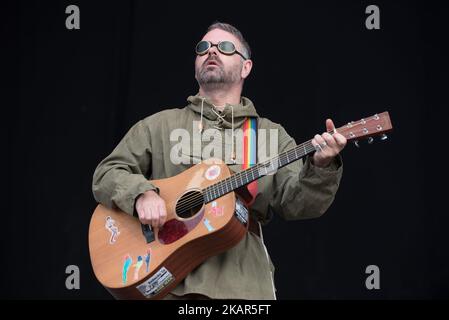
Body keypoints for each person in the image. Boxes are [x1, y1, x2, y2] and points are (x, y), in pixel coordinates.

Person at [92, 22, 347, 300]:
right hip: (168, 283)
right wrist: (141, 194)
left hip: (241, 287)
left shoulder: (269, 135)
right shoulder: (159, 126)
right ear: (195, 64)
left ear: (246, 67)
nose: (211, 51)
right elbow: (107, 172)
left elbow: (298, 204)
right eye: (203, 48)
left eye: (225, 48)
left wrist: (321, 166)